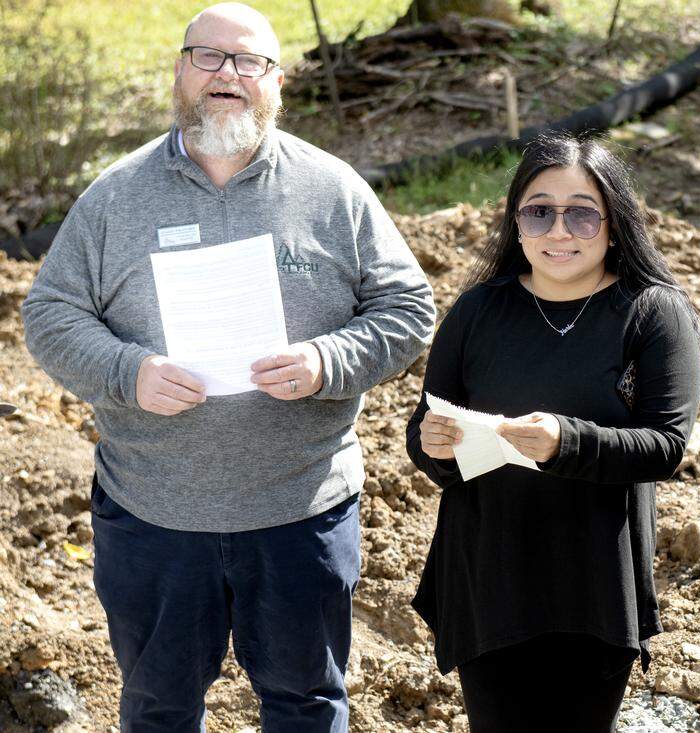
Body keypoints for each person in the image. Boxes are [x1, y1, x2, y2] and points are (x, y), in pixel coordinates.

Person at [21, 4, 435, 731]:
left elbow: (407, 308)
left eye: (250, 63)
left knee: (308, 705)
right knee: (157, 707)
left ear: (276, 84)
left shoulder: (332, 191)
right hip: (155, 516)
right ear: (180, 71)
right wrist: (128, 369)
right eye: (209, 57)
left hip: (301, 511)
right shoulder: (115, 197)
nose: (228, 75)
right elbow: (49, 315)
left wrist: (325, 358)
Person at [405, 133, 700, 733]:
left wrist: (567, 442)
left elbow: (666, 444)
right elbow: (424, 427)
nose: (558, 231)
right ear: (517, 224)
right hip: (489, 569)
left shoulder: (651, 311)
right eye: (539, 211)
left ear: (615, 225)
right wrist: (432, 445)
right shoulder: (477, 311)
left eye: (581, 214)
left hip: (593, 581)